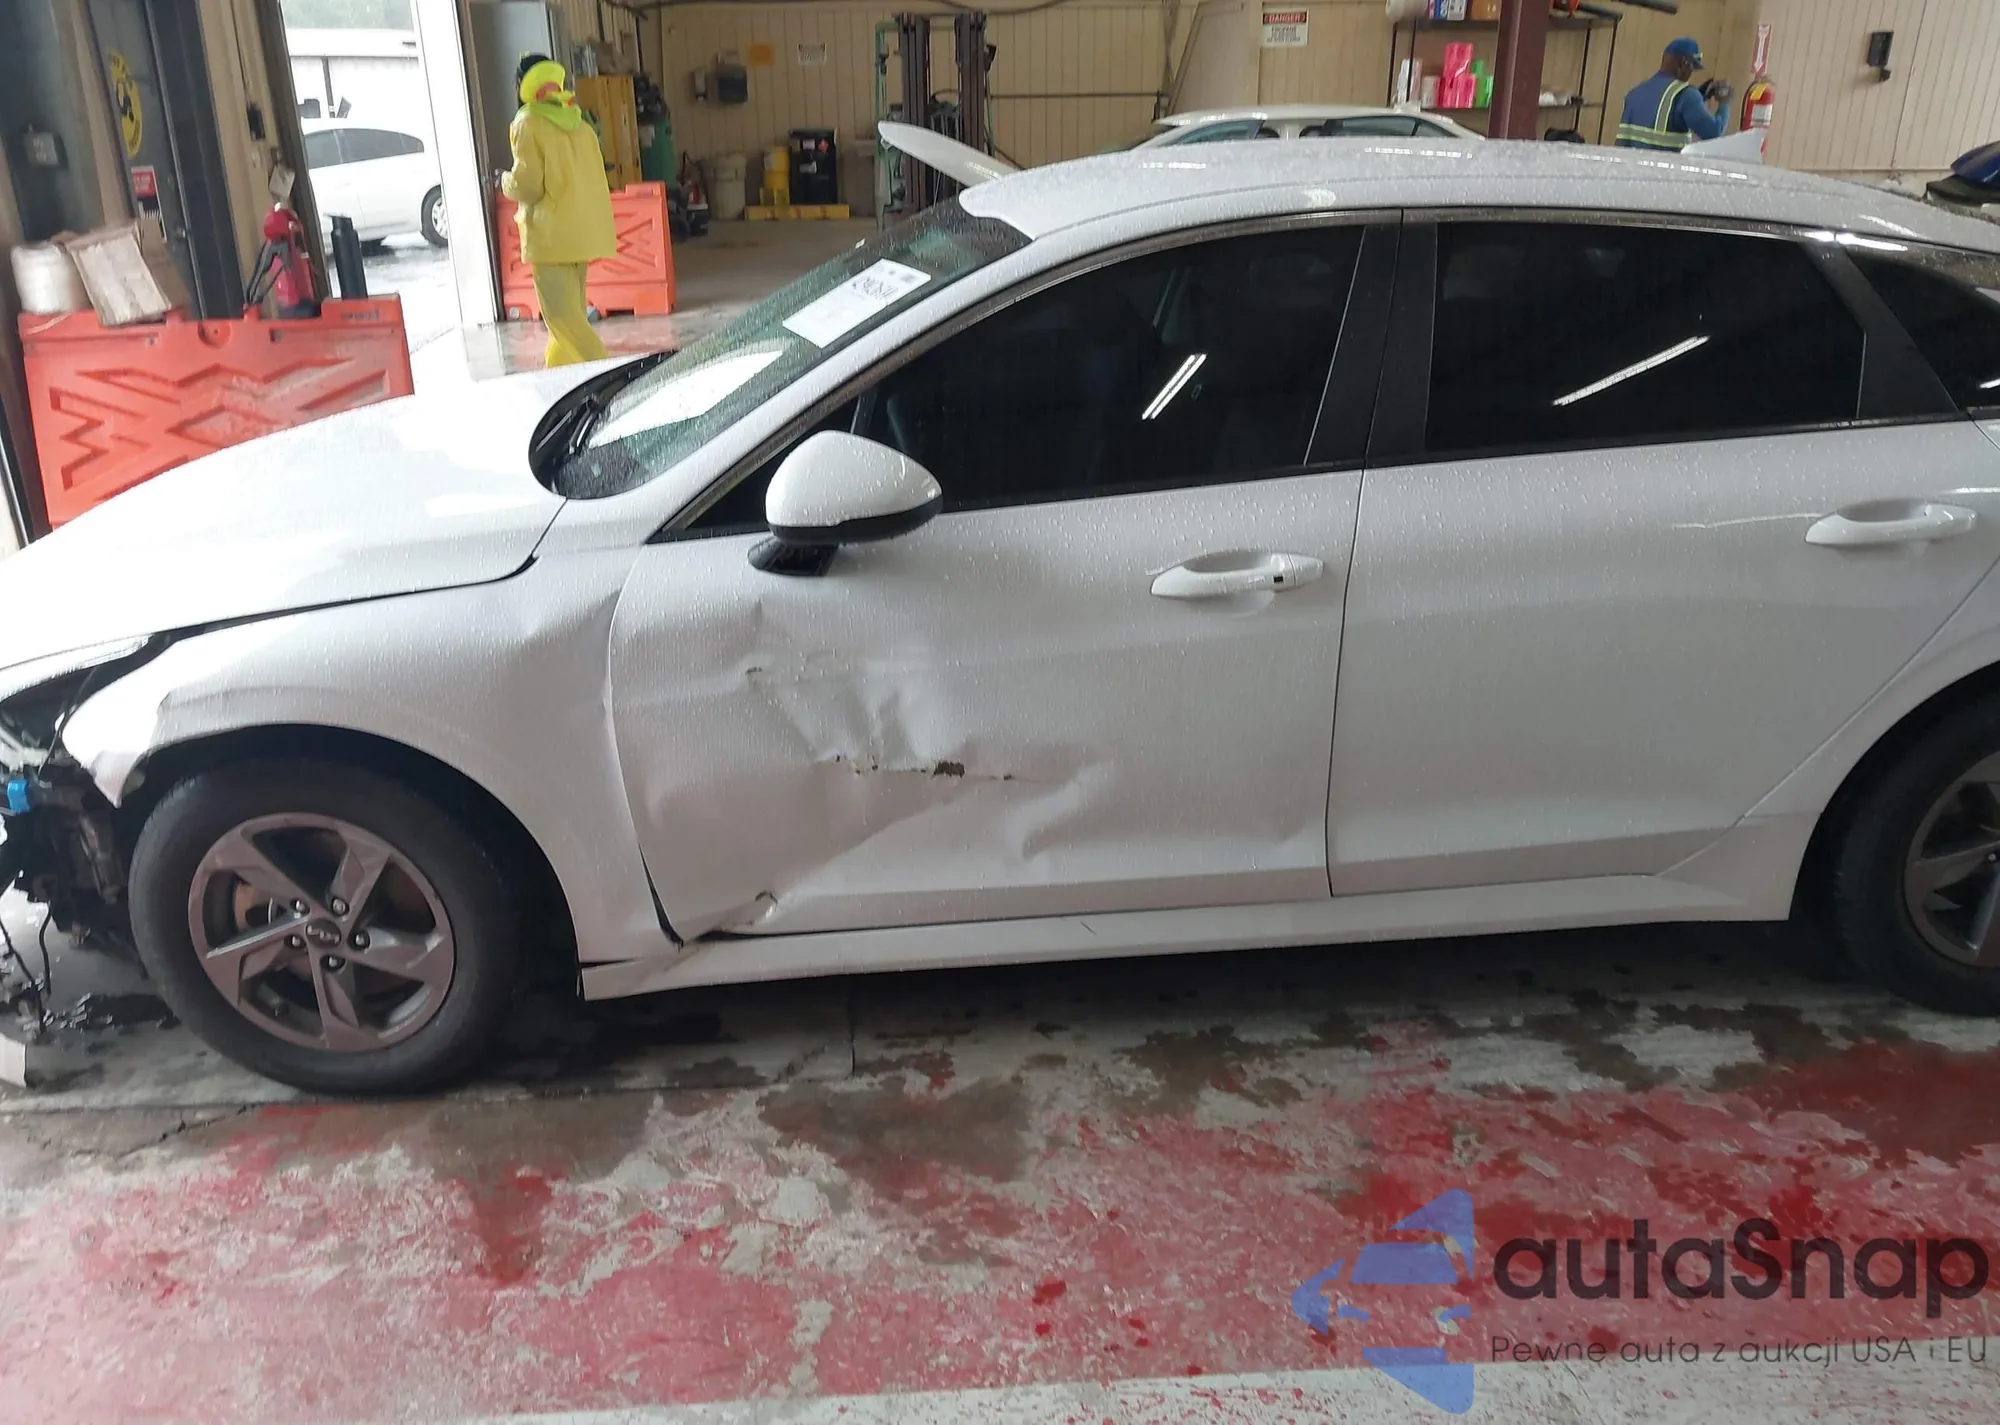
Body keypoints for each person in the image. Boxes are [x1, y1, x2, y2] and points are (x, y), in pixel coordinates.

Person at [502, 53, 617, 367]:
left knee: (562, 318)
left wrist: (504, 181)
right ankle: (557, 375)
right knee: (571, 316)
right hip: (582, 234)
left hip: (551, 237)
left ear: (522, 86)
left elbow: (528, 186)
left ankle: (609, 374)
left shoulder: (527, 122)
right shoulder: (580, 123)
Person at [1616, 38, 1732, 152]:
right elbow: (1713, 131)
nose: (1691, 73)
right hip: (1665, 165)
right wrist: (1725, 103)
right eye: (1692, 67)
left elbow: (1667, 109)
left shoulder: (1635, 93)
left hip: (1630, 164)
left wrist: (1701, 94)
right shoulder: (1687, 95)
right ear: (1684, 62)